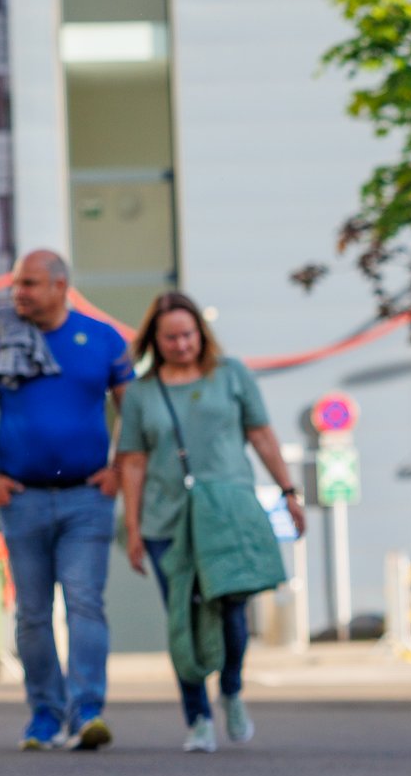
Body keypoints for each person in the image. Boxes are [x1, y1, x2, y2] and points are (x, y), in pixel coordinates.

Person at [0, 250, 133, 751]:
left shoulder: (102, 339)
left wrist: (119, 468)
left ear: (61, 286)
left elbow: (133, 409)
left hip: (86, 499)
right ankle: (44, 716)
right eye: (16, 284)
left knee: (84, 603)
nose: (19, 294)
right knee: (32, 612)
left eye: (30, 284)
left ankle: (87, 713)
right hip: (22, 499)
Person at [118, 291, 305, 752]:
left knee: (231, 612)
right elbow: (134, 462)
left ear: (201, 333)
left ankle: (233, 690)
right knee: (182, 617)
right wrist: (134, 527)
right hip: (167, 522)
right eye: (170, 338)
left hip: (227, 514)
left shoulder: (231, 375)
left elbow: (261, 434)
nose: (181, 344)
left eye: (188, 334)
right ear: (154, 341)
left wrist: (288, 492)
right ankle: (197, 718)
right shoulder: (141, 392)